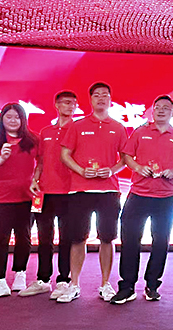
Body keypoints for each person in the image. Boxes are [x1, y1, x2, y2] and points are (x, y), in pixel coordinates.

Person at [111, 95, 173, 304]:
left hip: (166, 197)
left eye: (166, 108)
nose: (161, 111)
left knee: (161, 242)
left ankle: (152, 284)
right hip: (138, 195)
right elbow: (127, 156)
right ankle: (127, 286)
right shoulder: (140, 132)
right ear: (152, 111)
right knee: (130, 241)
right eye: (158, 108)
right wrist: (138, 167)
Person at [58, 82, 128, 303]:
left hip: (108, 191)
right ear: (90, 100)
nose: (101, 98)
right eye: (96, 95)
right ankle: (74, 284)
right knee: (77, 238)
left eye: (105, 95)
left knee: (107, 238)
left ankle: (106, 284)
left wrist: (112, 170)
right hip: (80, 190)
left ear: (110, 100)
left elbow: (125, 158)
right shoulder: (77, 125)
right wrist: (81, 171)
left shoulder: (118, 127)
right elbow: (64, 155)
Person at [19, 91, 77, 299]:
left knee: (66, 237)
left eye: (73, 104)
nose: (70, 107)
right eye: (65, 103)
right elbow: (41, 161)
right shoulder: (45, 132)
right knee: (44, 237)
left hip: (69, 192)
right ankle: (43, 279)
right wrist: (35, 180)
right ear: (56, 105)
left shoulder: (78, 129)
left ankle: (64, 280)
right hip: (45, 192)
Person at [0, 103, 39, 297]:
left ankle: (20, 273)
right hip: (0, 198)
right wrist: (1, 158)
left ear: (23, 120)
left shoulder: (33, 140)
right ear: (2, 119)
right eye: (9, 117)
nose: (13, 121)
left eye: (17, 117)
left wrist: (36, 180)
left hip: (26, 197)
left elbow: (42, 164)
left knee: (24, 237)